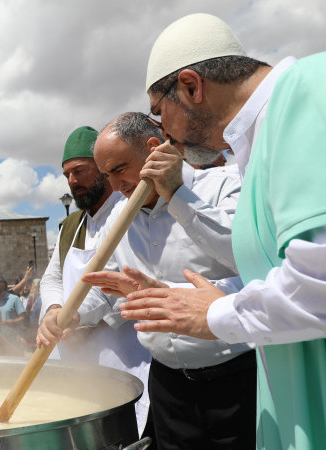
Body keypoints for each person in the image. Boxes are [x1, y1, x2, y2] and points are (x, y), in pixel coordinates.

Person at [115, 13, 326, 449]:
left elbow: (318, 282)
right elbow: (274, 271)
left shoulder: (307, 90)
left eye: (161, 113)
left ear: (192, 87)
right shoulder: (257, 142)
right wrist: (181, 298)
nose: (165, 133)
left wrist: (212, 315)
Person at [61, 112, 253, 449]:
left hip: (236, 378)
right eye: (107, 175)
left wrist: (176, 194)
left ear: (154, 149)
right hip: (167, 385)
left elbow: (246, 259)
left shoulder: (227, 184)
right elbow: (109, 291)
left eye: (120, 169)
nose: (117, 186)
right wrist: (72, 316)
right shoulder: (119, 215)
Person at [36, 125, 151, 436]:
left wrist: (90, 322)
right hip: (75, 353)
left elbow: (128, 282)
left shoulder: (132, 212)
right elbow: (52, 279)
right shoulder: (70, 225)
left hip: (124, 354)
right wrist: (53, 311)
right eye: (67, 175)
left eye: (80, 171)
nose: (73, 181)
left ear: (102, 169)